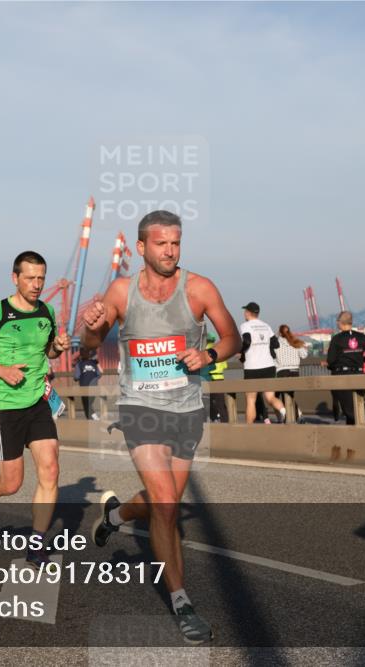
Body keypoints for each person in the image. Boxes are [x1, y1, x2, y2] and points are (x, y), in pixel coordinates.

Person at [80, 210, 241, 644]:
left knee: (160, 500)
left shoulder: (199, 288)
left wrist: (210, 355)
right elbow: (89, 346)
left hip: (186, 409)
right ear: (141, 248)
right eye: (162, 244)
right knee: (167, 505)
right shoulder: (120, 291)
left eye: (176, 243)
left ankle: (115, 514)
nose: (171, 251)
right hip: (140, 408)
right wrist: (91, 328)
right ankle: (183, 602)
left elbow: (232, 337)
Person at [0, 250, 71, 569]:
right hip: (2, 406)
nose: (37, 284)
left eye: (41, 278)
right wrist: (0, 369)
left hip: (36, 400)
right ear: (15, 278)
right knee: (11, 484)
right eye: (30, 278)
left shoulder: (47, 310)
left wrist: (57, 348)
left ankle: (36, 547)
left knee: (50, 468)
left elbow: (47, 349)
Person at [327, 311, 365, 425]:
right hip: (359, 374)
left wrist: (333, 366)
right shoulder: (362, 337)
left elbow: (330, 360)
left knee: (349, 409)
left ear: (340, 323)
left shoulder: (336, 339)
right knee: (354, 406)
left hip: (342, 375)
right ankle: (355, 436)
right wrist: (364, 359)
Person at [238, 302, 286, 424]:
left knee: (251, 400)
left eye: (245, 311)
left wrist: (240, 351)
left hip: (252, 367)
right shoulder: (266, 326)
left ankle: (249, 430)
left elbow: (247, 341)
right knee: (270, 397)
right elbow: (276, 344)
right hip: (269, 366)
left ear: (248, 312)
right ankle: (283, 410)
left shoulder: (245, 326)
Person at [274, 324, 308, 422]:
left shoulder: (276, 343)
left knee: (279, 396)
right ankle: (296, 416)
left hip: (282, 371)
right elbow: (304, 355)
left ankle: (292, 417)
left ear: (280, 333)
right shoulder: (295, 342)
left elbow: (272, 357)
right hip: (295, 372)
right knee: (289, 395)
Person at [73, 347, 102, 420]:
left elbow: (76, 377)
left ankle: (93, 420)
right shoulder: (94, 363)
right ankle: (94, 419)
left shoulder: (79, 364)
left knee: (87, 405)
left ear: (81, 354)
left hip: (84, 389)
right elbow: (99, 375)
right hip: (94, 388)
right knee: (90, 404)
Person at [206, 334, 228, 422]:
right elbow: (225, 365)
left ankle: (214, 418)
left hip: (210, 377)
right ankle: (225, 421)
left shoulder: (204, 349)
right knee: (221, 402)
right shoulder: (220, 349)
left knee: (209, 401)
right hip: (220, 377)